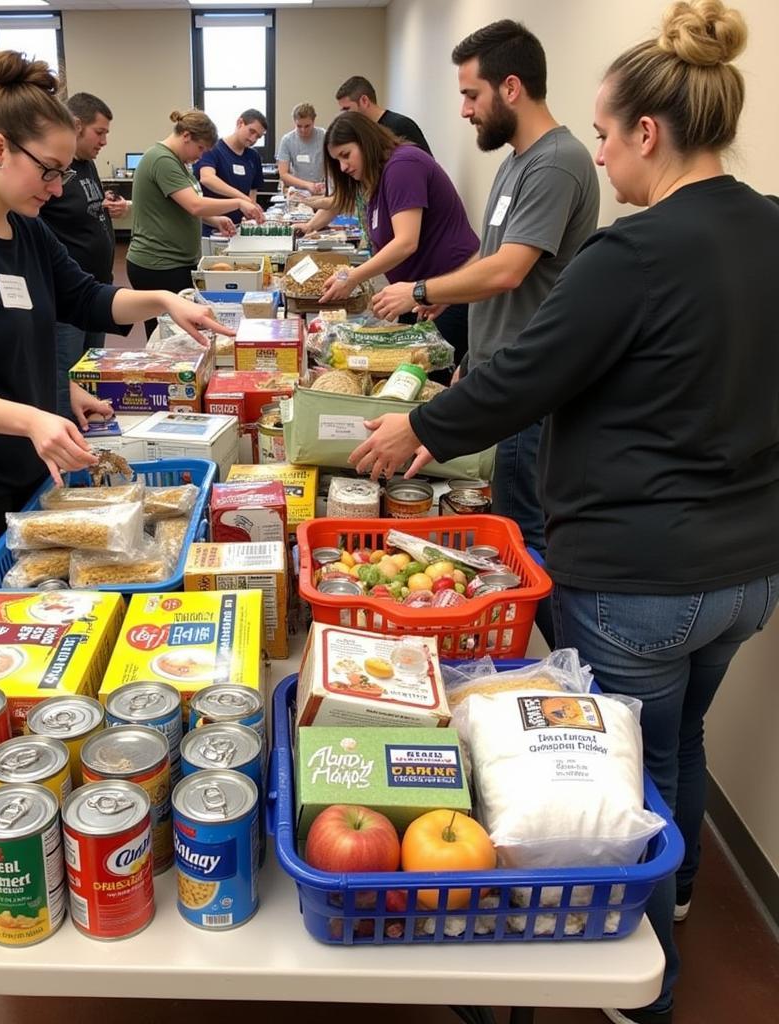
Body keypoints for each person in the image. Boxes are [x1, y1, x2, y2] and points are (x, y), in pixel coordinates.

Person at [351, 4, 779, 1021]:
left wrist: (419, 424)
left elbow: (524, 376)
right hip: (747, 571)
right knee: (680, 740)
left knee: (617, 776)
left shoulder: (631, 257)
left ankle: (644, 988)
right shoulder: (769, 225)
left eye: (601, 130)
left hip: (640, 576)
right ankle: (676, 893)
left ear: (646, 132)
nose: (595, 152)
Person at [0, 52, 230, 643]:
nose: (59, 186)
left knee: (40, 612)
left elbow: (87, 299)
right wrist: (35, 415)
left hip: (19, 453)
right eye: (49, 170)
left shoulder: (26, 230)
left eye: (64, 171)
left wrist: (165, 301)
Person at [372, 19, 599, 644]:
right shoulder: (517, 163)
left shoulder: (558, 163)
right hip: (496, 367)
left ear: (512, 87)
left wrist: (421, 289)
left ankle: (562, 661)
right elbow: (487, 255)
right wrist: (465, 350)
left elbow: (508, 272)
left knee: (522, 530)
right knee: (506, 518)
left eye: (472, 95)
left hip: (529, 384)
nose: (465, 110)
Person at [303, 112, 477, 361]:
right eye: (337, 160)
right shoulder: (378, 179)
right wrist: (345, 275)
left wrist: (352, 277)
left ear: (365, 141)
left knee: (435, 379)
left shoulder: (403, 165)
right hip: (418, 294)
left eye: (346, 155)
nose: (343, 167)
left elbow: (406, 242)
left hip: (450, 290)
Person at [126, 109, 264, 336]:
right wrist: (239, 202)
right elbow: (195, 205)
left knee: (178, 330)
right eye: (200, 149)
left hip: (174, 261)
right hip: (158, 264)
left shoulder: (177, 162)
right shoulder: (162, 159)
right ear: (186, 136)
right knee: (167, 334)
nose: (200, 157)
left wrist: (215, 219)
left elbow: (184, 205)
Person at [39, 92, 129, 417]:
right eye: (99, 132)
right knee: (66, 382)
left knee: (90, 374)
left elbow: (86, 207)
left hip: (96, 289)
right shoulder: (53, 173)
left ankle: (87, 440)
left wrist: (110, 208)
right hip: (66, 300)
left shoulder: (87, 164)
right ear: (77, 126)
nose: (104, 140)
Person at [194, 109, 268, 236]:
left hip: (237, 229)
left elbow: (252, 192)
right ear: (240, 123)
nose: (253, 139)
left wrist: (251, 211)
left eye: (258, 137)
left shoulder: (253, 156)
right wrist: (242, 199)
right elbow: (207, 179)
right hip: (211, 227)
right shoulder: (214, 148)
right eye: (252, 131)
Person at [335, 75, 432, 155]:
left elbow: (426, 165)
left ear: (364, 101)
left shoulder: (402, 125)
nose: (345, 116)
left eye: (347, 109)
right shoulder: (362, 132)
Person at [276, 103, 327, 194]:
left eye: (307, 126)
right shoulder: (287, 140)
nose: (303, 130)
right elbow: (283, 174)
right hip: (298, 190)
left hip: (321, 188)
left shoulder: (324, 136)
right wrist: (308, 185)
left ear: (314, 121)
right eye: (299, 126)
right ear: (294, 122)